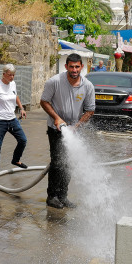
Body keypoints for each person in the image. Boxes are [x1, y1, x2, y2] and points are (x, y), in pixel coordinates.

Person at [39, 53, 96, 209]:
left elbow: (90, 110)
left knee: (69, 163)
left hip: (75, 129)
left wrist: (76, 126)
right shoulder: (54, 82)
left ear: (81, 67)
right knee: (57, 163)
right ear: (66, 67)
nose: (74, 70)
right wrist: (57, 118)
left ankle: (63, 196)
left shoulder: (88, 86)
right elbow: (44, 102)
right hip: (56, 129)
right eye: (71, 66)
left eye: (77, 66)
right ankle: (52, 197)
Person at [0, 64, 28, 174]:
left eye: (13, 75)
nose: (12, 77)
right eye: (9, 75)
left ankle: (16, 160)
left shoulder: (13, 84)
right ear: (4, 74)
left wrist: (21, 108)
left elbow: (16, 96)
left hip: (12, 119)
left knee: (23, 140)